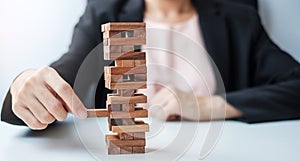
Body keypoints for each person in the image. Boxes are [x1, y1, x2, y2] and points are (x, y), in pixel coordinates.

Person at [1, 0, 300, 130]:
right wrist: (25, 86)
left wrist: (209, 106)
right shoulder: (105, 12)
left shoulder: (240, 20)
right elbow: (63, 74)